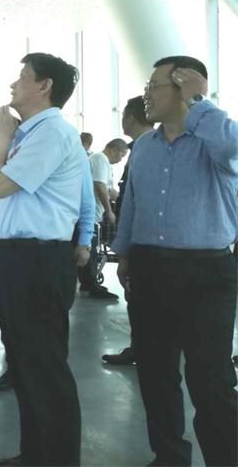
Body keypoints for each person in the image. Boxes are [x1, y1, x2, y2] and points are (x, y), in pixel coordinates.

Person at [112, 56, 237, 467]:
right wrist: (124, 253)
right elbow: (131, 202)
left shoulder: (214, 142)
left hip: (206, 272)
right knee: (155, 372)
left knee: (211, 380)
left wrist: (200, 100)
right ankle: (168, 457)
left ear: (183, 87)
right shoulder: (144, 147)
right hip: (149, 268)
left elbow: (233, 147)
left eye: (154, 86)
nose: (146, 95)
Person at [0, 53, 83, 467]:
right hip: (17, 258)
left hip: (37, 262)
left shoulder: (51, 132)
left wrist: (1, 140)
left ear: (44, 86)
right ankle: (35, 455)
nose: (13, 84)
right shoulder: (34, 133)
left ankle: (57, 459)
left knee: (44, 368)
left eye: (22, 76)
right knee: (24, 364)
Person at [102, 96, 153, 365]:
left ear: (131, 118)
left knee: (140, 299)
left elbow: (137, 199)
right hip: (139, 238)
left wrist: (126, 252)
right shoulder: (143, 147)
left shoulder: (147, 148)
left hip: (142, 241)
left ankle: (142, 349)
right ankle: (142, 347)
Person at [79, 138, 129, 299]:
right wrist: (109, 211)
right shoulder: (100, 159)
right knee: (91, 249)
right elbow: (99, 186)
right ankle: (92, 285)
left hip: (93, 213)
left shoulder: (102, 162)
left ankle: (87, 283)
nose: (120, 159)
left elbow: (106, 188)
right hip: (91, 214)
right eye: (121, 155)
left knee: (92, 247)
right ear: (113, 149)